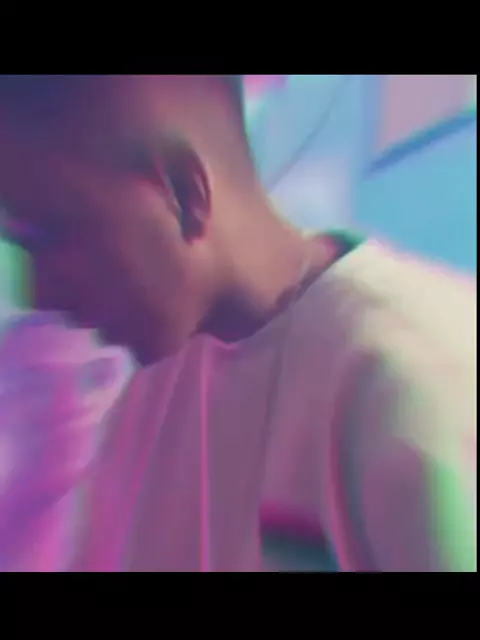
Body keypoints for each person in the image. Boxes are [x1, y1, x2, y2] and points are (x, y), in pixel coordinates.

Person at [0, 74, 476, 572]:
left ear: (186, 192)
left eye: (58, 235)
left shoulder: (415, 381)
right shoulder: (142, 403)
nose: (41, 294)